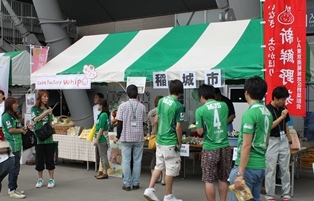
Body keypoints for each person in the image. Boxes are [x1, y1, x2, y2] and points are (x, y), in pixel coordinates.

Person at [229, 76, 273, 201]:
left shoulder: (250, 114)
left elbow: (246, 145)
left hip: (247, 167)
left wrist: (240, 173)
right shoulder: (267, 112)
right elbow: (267, 139)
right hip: (260, 166)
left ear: (246, 92)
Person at [144, 80, 184, 201]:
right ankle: (168, 195)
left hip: (160, 140)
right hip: (170, 142)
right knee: (171, 169)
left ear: (170, 89)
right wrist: (180, 141)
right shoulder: (179, 106)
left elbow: (156, 120)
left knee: (159, 165)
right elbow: (178, 127)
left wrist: (156, 134)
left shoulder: (161, 101)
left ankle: (150, 189)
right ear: (181, 92)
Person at [195, 84, 231, 201]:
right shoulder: (224, 105)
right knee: (223, 178)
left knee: (209, 179)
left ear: (202, 97)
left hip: (210, 147)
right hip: (225, 146)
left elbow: (199, 132)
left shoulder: (200, 110)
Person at [115, 85, 146, 191]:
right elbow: (144, 122)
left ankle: (127, 184)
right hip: (138, 137)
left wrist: (117, 136)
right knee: (137, 160)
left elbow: (119, 123)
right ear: (137, 93)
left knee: (127, 160)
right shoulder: (142, 106)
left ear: (127, 94)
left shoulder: (122, 106)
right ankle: (136, 183)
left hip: (126, 136)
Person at [265, 86, 292, 201]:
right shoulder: (267, 110)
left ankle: (286, 193)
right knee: (270, 169)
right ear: (275, 98)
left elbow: (286, 126)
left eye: (285, 99)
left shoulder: (283, 108)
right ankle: (270, 194)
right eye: (282, 99)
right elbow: (269, 126)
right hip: (272, 140)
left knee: (285, 168)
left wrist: (290, 141)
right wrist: (281, 117)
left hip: (283, 140)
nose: (284, 102)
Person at [2, 97, 27, 198]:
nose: (17, 105)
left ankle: (14, 188)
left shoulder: (14, 116)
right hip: (12, 145)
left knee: (16, 168)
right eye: (15, 104)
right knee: (14, 168)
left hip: (18, 145)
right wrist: (21, 131)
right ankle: (12, 190)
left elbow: (17, 127)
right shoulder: (6, 116)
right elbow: (11, 130)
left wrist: (23, 128)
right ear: (10, 104)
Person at [31, 90, 55, 188]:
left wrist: (53, 124)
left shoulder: (48, 108)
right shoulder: (34, 109)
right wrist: (45, 113)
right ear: (40, 97)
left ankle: (51, 179)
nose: (46, 98)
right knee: (39, 159)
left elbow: (51, 121)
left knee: (50, 158)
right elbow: (35, 119)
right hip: (39, 138)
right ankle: (40, 179)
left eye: (47, 96)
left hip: (48, 138)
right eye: (44, 96)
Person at [147, 95, 165, 185]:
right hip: (162, 137)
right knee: (163, 158)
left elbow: (149, 126)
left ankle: (154, 177)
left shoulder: (150, 113)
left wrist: (150, 134)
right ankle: (163, 179)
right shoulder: (163, 112)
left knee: (154, 158)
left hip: (154, 137)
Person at [93, 99, 110, 179]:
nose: (97, 106)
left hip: (102, 138)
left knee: (103, 155)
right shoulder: (103, 114)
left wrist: (97, 138)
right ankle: (101, 171)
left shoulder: (103, 115)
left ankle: (105, 172)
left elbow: (101, 128)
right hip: (102, 137)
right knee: (101, 155)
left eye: (98, 104)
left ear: (101, 106)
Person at [93, 92, 104, 177]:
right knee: (100, 152)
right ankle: (100, 168)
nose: (94, 99)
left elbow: (102, 127)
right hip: (95, 129)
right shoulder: (94, 108)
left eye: (96, 97)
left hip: (101, 134)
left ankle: (103, 171)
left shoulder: (103, 114)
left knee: (102, 153)